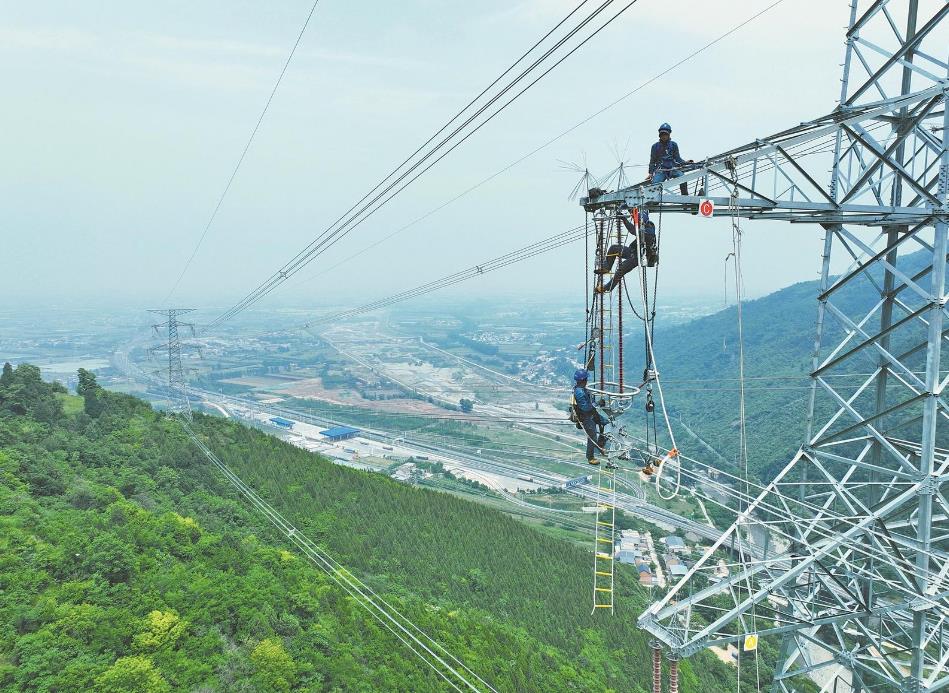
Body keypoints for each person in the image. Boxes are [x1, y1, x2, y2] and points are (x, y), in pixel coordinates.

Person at [594, 210, 658, 294]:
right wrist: (628, 208)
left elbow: (632, 230)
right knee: (613, 248)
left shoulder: (648, 231)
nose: (637, 223)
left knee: (621, 269)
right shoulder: (647, 225)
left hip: (638, 257)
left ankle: (607, 287)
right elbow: (635, 217)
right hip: (633, 251)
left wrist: (624, 219)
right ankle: (607, 267)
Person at [572, 369, 609, 464]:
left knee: (606, 423)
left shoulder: (582, 389)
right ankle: (590, 457)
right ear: (583, 380)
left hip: (591, 414)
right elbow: (585, 407)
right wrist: (598, 404)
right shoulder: (579, 392)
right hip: (586, 417)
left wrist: (596, 404)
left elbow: (589, 403)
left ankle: (601, 443)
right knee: (592, 437)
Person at [648, 123, 693, 195]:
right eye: (662, 134)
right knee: (655, 184)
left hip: (672, 169)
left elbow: (678, 158)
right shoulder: (655, 146)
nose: (663, 136)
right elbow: (652, 160)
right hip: (661, 170)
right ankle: (655, 201)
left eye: (665, 134)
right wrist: (650, 173)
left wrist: (686, 162)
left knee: (683, 178)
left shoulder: (673, 145)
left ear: (669, 134)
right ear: (660, 135)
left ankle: (685, 196)